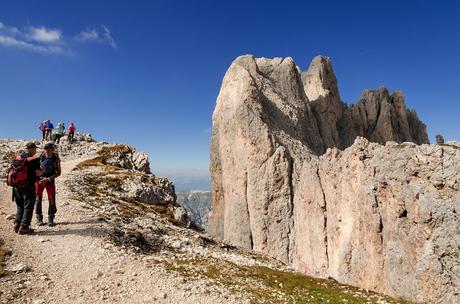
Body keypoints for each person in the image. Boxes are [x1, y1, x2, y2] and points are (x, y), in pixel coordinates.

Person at [8, 142, 42, 235]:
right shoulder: (33, 159)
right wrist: (42, 171)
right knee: (29, 206)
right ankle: (24, 227)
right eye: (34, 148)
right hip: (28, 186)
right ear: (31, 149)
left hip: (16, 186)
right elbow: (38, 172)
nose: (35, 150)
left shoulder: (18, 157)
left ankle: (17, 224)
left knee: (20, 206)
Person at [35, 143, 61, 226]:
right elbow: (35, 171)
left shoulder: (56, 159)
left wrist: (48, 179)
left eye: (49, 148)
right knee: (38, 199)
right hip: (39, 181)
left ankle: (51, 219)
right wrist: (40, 177)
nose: (47, 150)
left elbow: (59, 173)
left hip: (50, 180)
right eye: (45, 148)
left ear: (53, 150)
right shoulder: (40, 158)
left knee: (51, 198)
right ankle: (39, 219)